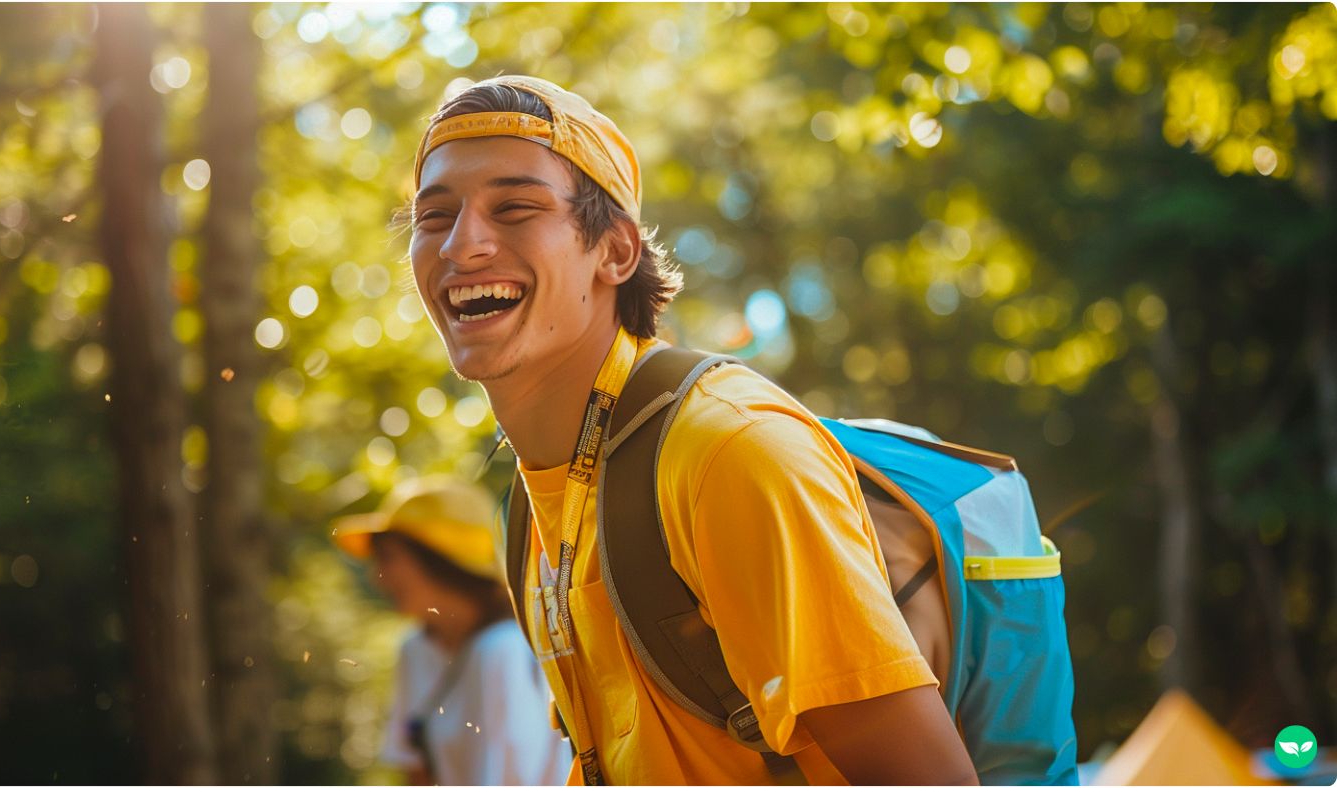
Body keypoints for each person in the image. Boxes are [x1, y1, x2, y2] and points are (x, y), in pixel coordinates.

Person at [404, 75, 979, 785]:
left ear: (614, 252)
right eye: (434, 218)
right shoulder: (535, 504)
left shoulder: (728, 455)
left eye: (516, 207)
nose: (463, 245)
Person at [333, 475, 572, 785]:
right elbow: (415, 770)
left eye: (388, 557)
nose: (378, 577)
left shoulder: (503, 650)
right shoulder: (415, 648)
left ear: (438, 560)